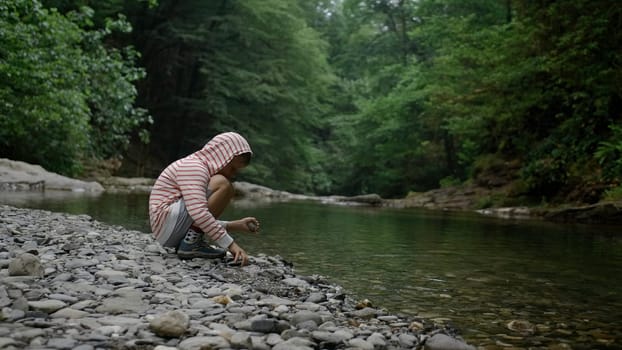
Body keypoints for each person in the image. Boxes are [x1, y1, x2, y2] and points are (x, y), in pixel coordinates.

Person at [149, 132, 260, 265]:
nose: (233, 174)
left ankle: (190, 243)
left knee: (224, 186)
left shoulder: (198, 166)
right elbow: (198, 213)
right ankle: (190, 245)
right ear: (222, 157)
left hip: (168, 228)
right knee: (223, 184)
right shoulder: (195, 167)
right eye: (232, 168)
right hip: (168, 224)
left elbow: (194, 219)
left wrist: (234, 225)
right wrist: (231, 245)